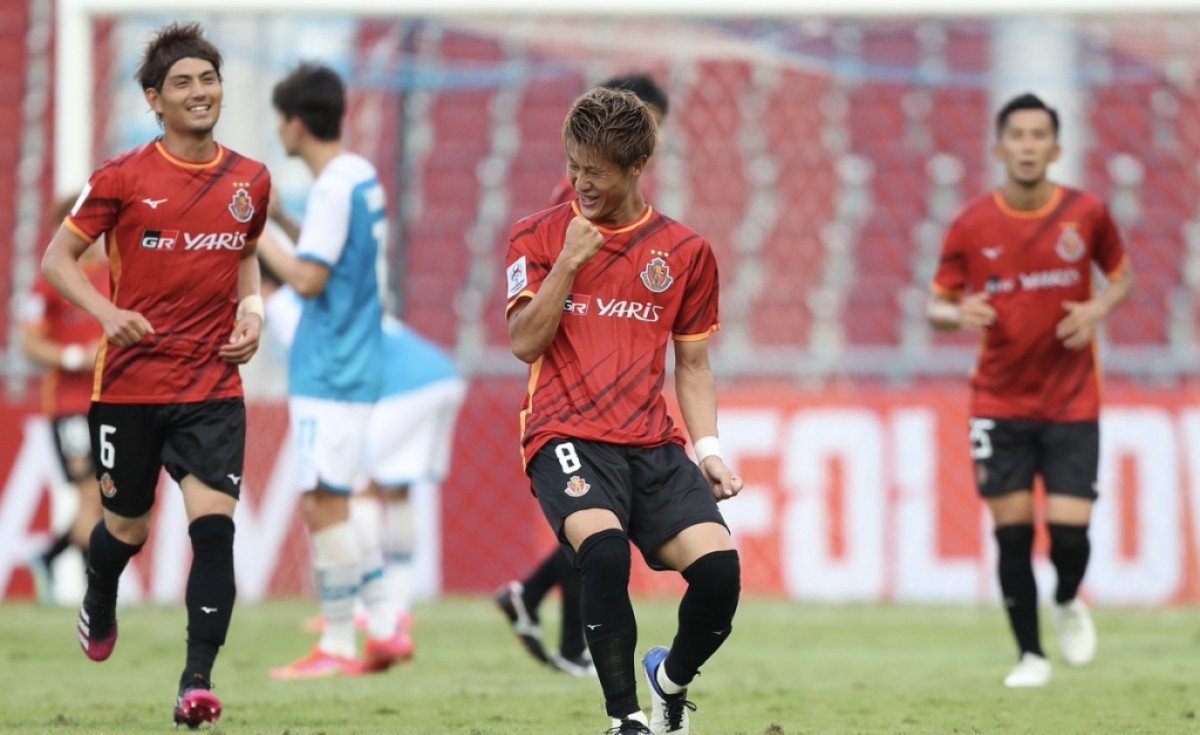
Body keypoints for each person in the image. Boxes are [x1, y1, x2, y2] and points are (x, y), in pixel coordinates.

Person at [40, 22, 269, 729]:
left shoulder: (250, 179)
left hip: (211, 388)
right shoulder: (121, 178)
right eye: (183, 83)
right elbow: (55, 261)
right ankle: (99, 588)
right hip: (130, 389)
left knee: (214, 532)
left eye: (208, 79)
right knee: (126, 530)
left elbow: (245, 256)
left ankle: (196, 681)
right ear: (153, 99)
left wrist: (253, 312)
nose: (201, 92)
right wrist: (108, 314)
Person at [505, 87, 742, 735]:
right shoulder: (539, 236)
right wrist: (569, 266)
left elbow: (692, 365)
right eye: (573, 164)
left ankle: (669, 682)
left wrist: (710, 450)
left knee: (721, 573)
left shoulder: (685, 252)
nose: (579, 181)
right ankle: (625, 720)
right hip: (564, 434)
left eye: (596, 170)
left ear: (637, 166)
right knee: (603, 552)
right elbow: (525, 340)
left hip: (650, 443)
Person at [927, 92, 1133, 689]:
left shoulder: (1087, 213)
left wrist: (1097, 308)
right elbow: (936, 305)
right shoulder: (971, 223)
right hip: (998, 399)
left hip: (1072, 399)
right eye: (1016, 136)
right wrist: (955, 313)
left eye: (1038, 135)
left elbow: (1122, 278)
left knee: (1070, 531)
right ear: (1000, 148)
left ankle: (1068, 598)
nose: (1026, 146)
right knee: (1012, 532)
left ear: (1055, 147)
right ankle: (1031, 657)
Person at [496, 72, 671, 680]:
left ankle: (542, 609)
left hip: (619, 397)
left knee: (601, 531)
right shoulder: (571, 204)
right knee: (598, 531)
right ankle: (572, 642)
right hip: (571, 397)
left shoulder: (643, 216)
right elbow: (539, 310)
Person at [260, 247, 466, 667]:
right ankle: (399, 602)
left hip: (398, 388)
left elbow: (318, 363)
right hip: (439, 374)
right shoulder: (331, 293)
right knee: (397, 488)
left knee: (358, 486)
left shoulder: (283, 304)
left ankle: (363, 609)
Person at [257, 64, 394, 680]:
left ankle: (338, 645)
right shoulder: (358, 174)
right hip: (356, 357)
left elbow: (310, 278)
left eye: (278, 120)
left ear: (294, 123)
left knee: (322, 502)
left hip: (331, 363)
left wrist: (254, 231)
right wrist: (286, 223)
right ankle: (385, 627)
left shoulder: (334, 187)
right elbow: (332, 255)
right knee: (333, 496)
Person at [20, 194, 108, 604]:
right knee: (91, 494)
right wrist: (75, 357)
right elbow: (28, 343)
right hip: (71, 406)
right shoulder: (49, 280)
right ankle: (99, 592)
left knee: (108, 496)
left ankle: (50, 556)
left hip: (111, 403)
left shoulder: (113, 275)